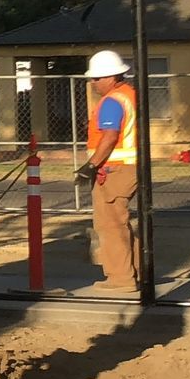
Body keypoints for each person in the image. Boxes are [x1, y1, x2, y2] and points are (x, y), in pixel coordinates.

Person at [76, 49, 139, 291]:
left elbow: (110, 136)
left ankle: (121, 279)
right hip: (126, 168)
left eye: (97, 78)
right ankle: (135, 273)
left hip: (113, 170)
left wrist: (90, 166)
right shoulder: (129, 95)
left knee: (110, 225)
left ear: (112, 77)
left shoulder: (112, 101)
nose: (93, 83)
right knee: (121, 223)